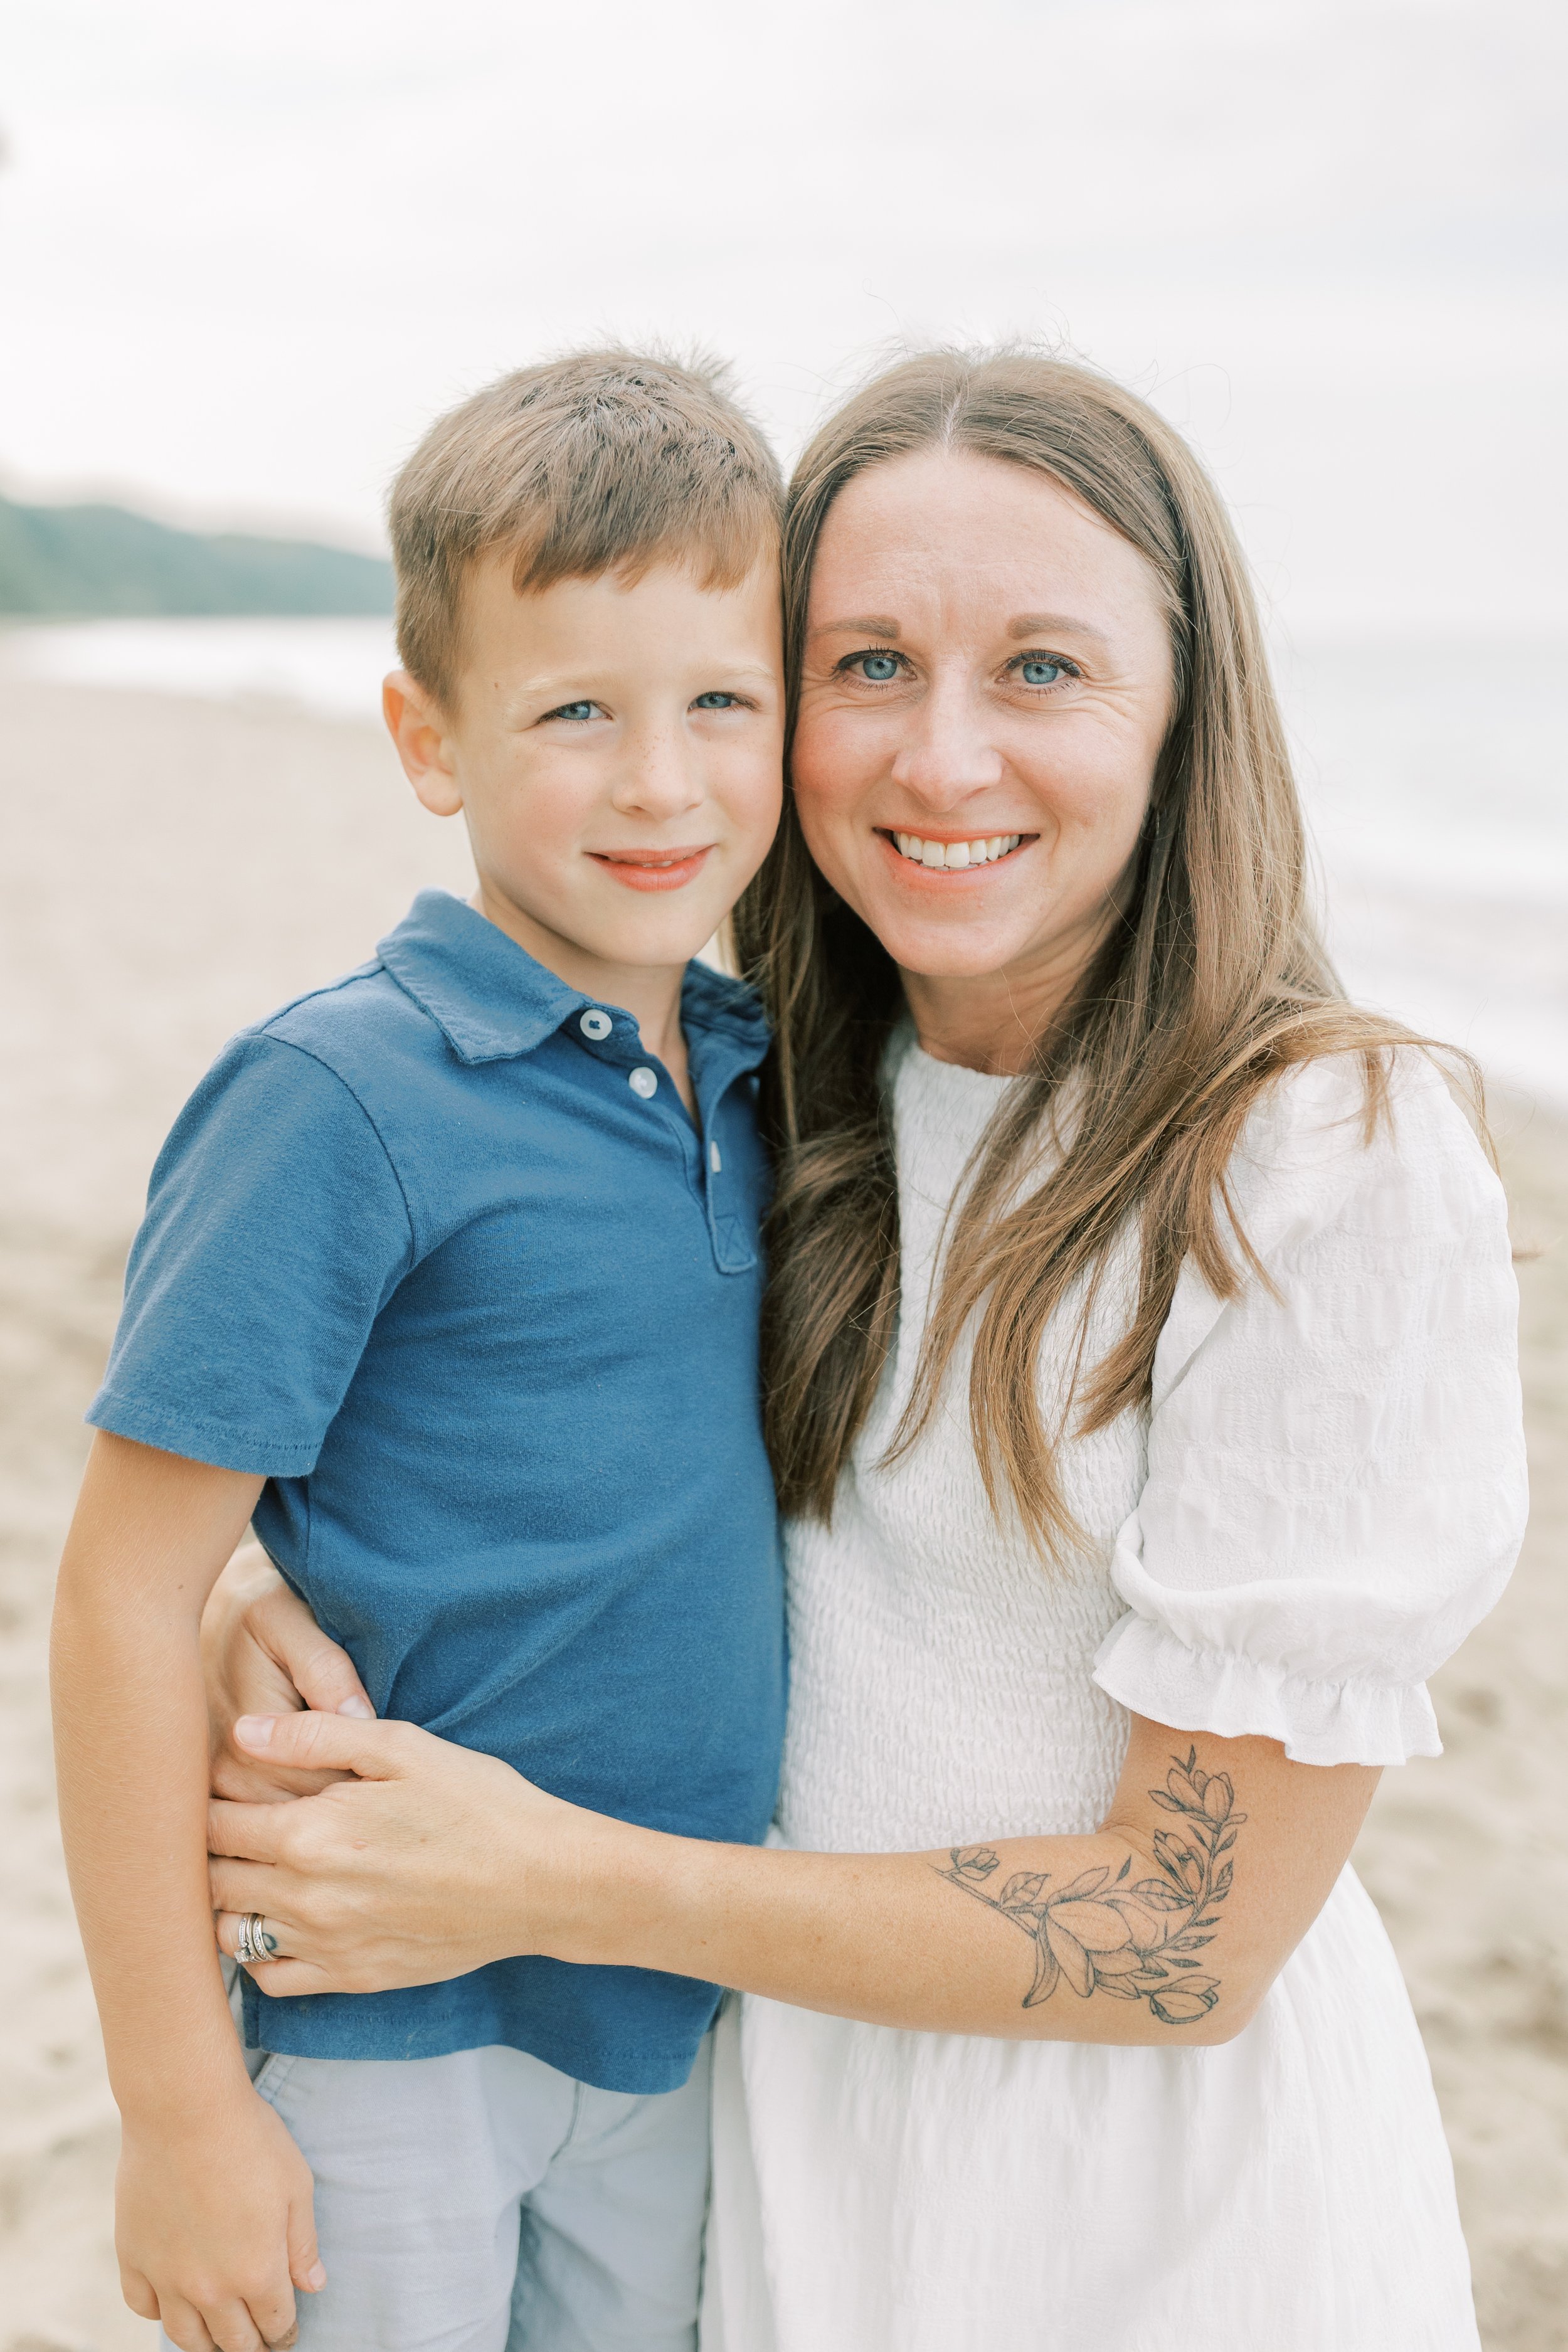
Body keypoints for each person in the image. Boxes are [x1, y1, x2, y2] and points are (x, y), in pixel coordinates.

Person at [199, 350, 1527, 2351]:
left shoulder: (1310, 1149)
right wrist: (261, 1577)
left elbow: (1188, 1935)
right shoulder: (775, 1083)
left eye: (1044, 672)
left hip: (1135, 2218)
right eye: (868, 664)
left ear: (1185, 714)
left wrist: (552, 1882)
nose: (943, 760)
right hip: (767, 2138)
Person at [50, 349, 791, 2352]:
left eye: (724, 700)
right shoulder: (337, 1097)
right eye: (576, 712)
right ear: (426, 735)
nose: (662, 781)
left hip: (667, 2001)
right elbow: (125, 1591)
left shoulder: (770, 1074)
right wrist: (178, 2107)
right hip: (388, 2013)